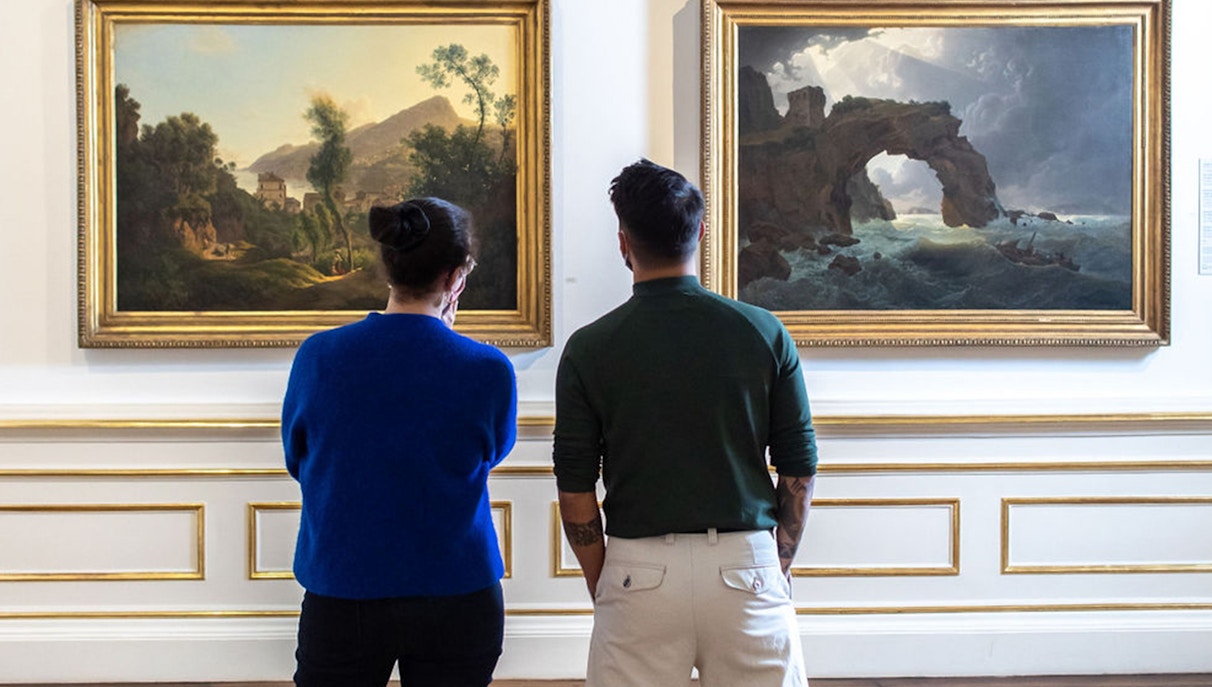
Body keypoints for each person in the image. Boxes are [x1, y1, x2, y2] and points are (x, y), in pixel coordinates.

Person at [552, 159, 818, 687]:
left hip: (637, 568)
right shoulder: (763, 331)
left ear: (623, 242)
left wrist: (605, 582)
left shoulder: (589, 348)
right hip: (747, 563)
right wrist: (777, 562)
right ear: (700, 232)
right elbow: (799, 469)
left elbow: (575, 485)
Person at [282, 198, 517, 687]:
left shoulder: (319, 357)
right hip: (458, 590)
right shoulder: (487, 369)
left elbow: (299, 457)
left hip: (344, 585)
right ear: (455, 278)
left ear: (389, 267)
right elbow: (491, 452)